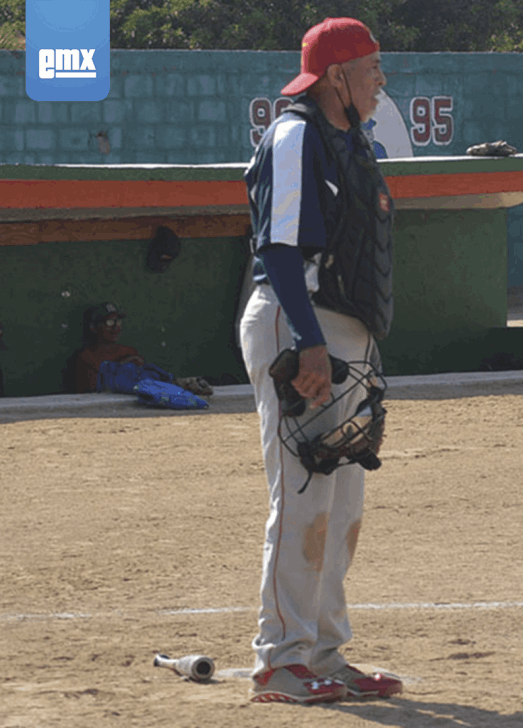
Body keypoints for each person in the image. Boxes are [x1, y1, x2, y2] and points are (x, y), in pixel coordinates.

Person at [240, 17, 399, 704]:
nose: (379, 79)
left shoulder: (350, 139)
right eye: (369, 68)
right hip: (296, 323)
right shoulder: (297, 135)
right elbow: (279, 250)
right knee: (303, 500)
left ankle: (325, 654)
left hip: (341, 330)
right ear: (336, 77)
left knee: (343, 503)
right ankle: (279, 660)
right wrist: (306, 342)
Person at [72, 302, 212, 396]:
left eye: (118, 321)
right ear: (93, 327)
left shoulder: (128, 351)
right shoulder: (87, 357)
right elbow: (92, 391)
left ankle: (179, 384)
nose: (115, 327)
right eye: (109, 322)